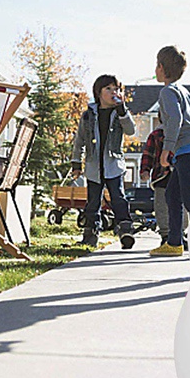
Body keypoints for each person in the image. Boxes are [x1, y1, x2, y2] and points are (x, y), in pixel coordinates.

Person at [149, 46, 190, 256]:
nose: (155, 69)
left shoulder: (167, 91)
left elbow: (175, 120)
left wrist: (167, 149)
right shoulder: (184, 91)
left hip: (187, 149)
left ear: (161, 67)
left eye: (156, 65)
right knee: (172, 194)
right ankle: (175, 242)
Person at [71, 75, 137, 248]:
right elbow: (79, 141)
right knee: (93, 202)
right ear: (98, 93)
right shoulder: (88, 115)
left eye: (116, 89)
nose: (113, 92)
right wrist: (76, 163)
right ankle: (90, 233)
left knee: (118, 198)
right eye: (108, 89)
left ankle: (125, 230)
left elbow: (131, 130)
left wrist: (122, 110)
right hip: (94, 166)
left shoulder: (120, 113)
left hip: (113, 165)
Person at [139, 110, 170, 245]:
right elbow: (148, 154)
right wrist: (145, 170)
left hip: (179, 176)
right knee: (161, 206)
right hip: (160, 177)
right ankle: (165, 235)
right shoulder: (156, 135)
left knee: (181, 206)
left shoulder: (183, 134)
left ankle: (180, 234)